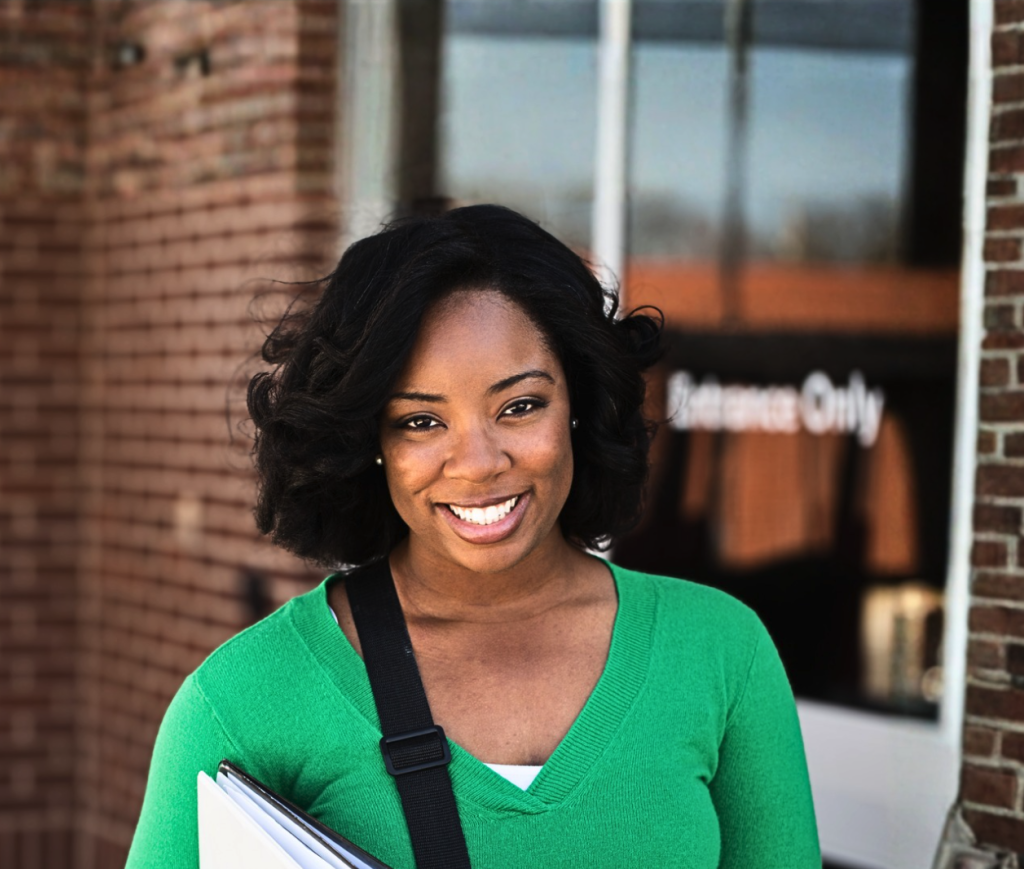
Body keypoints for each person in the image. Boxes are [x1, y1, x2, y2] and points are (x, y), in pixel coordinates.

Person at [126, 205, 820, 867]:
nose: (480, 462)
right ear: (369, 439)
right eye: (421, 422)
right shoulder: (246, 698)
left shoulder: (719, 654)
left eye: (520, 406)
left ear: (579, 404)